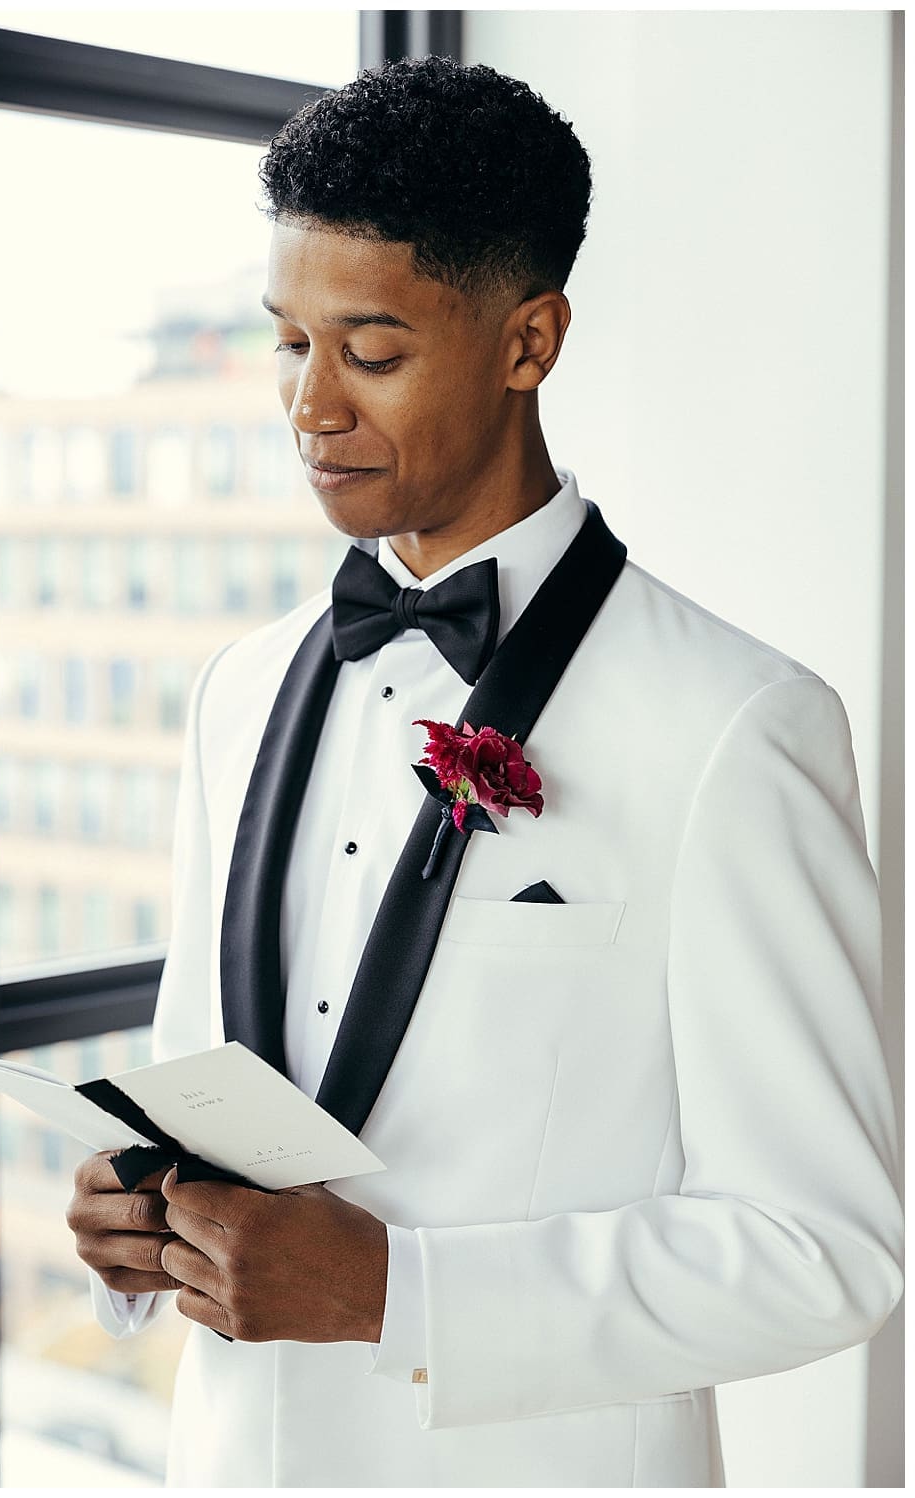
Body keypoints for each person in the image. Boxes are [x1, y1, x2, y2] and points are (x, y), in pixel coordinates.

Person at [63, 57, 902, 1486]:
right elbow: (198, 1071)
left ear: (530, 341)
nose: (308, 404)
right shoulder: (238, 684)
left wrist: (402, 1294)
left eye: (371, 352)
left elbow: (826, 1248)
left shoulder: (740, 724)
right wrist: (138, 1219)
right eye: (286, 341)